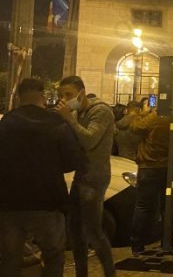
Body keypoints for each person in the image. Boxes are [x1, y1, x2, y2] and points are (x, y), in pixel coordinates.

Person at [0, 79, 86, 277]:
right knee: (53, 255)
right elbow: (72, 161)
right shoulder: (56, 123)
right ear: (42, 96)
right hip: (47, 200)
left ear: (19, 97)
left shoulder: (6, 123)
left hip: (9, 202)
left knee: (10, 258)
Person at [56, 75, 116, 277]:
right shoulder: (78, 112)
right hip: (81, 175)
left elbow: (90, 140)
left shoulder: (100, 111)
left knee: (93, 232)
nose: (65, 99)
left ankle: (110, 273)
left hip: (95, 177)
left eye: (69, 94)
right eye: (61, 95)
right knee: (74, 231)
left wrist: (69, 119)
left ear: (81, 93)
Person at [128, 109, 172, 255]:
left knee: (144, 206)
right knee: (169, 206)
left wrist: (139, 113)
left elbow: (136, 127)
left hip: (150, 166)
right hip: (171, 167)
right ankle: (168, 241)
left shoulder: (157, 116)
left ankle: (137, 244)